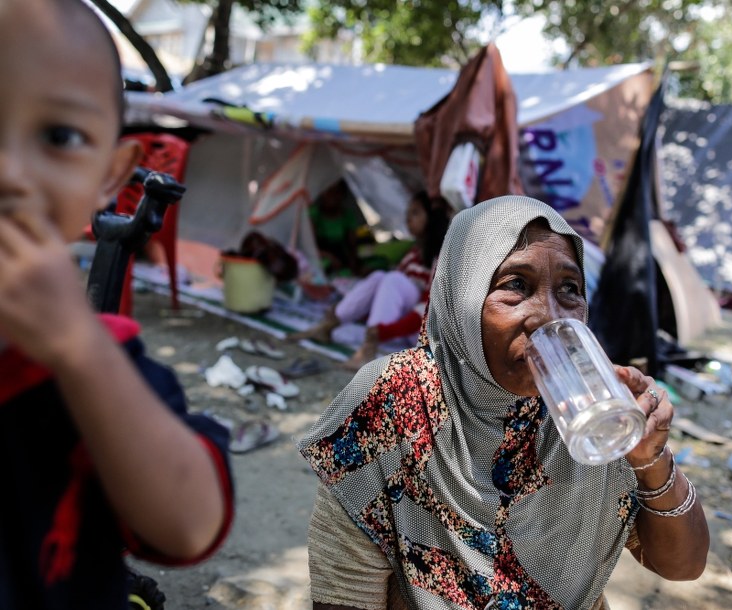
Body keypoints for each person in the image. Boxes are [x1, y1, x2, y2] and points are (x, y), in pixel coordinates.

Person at [298, 196, 709, 610]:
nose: (549, 316)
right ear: (463, 296)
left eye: (570, 289)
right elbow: (344, 594)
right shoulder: (392, 400)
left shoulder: (589, 407)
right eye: (516, 286)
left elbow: (683, 566)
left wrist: (649, 460)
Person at [0, 1, 234, 607]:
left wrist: (82, 354)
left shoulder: (105, 367)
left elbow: (188, 525)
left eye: (58, 136)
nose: (8, 172)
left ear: (111, 176)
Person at [290, 190, 450, 370]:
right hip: (396, 325)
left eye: (415, 213)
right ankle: (331, 323)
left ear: (433, 217)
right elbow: (387, 299)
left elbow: (428, 310)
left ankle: (369, 347)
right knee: (379, 276)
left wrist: (383, 332)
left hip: (418, 330)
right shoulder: (413, 254)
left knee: (392, 279)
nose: (408, 219)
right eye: (408, 214)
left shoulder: (441, 257)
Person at [309, 178, 364, 277]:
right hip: (320, 256)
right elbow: (308, 245)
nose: (332, 196)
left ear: (343, 195)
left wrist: (353, 264)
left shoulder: (347, 216)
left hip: (341, 256)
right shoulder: (314, 214)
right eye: (329, 191)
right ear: (322, 193)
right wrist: (328, 257)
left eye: (337, 192)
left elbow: (352, 246)